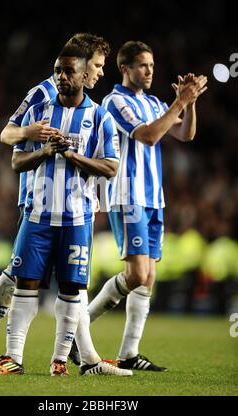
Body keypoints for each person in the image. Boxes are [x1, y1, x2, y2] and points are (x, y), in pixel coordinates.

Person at [0, 33, 110, 372]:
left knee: (72, 284)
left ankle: (86, 357)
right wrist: (32, 134)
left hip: (68, 205)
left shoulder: (86, 104)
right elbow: (7, 134)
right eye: (99, 65)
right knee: (19, 277)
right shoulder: (44, 92)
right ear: (83, 63)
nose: (101, 72)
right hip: (40, 203)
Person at [86, 40, 208, 371]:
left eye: (152, 65)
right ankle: (78, 329)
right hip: (127, 194)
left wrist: (190, 104)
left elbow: (185, 134)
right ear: (125, 68)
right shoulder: (114, 102)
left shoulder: (154, 102)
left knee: (149, 276)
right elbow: (149, 136)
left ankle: (128, 353)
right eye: (143, 66)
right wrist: (178, 103)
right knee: (137, 273)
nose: (150, 71)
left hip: (153, 197)